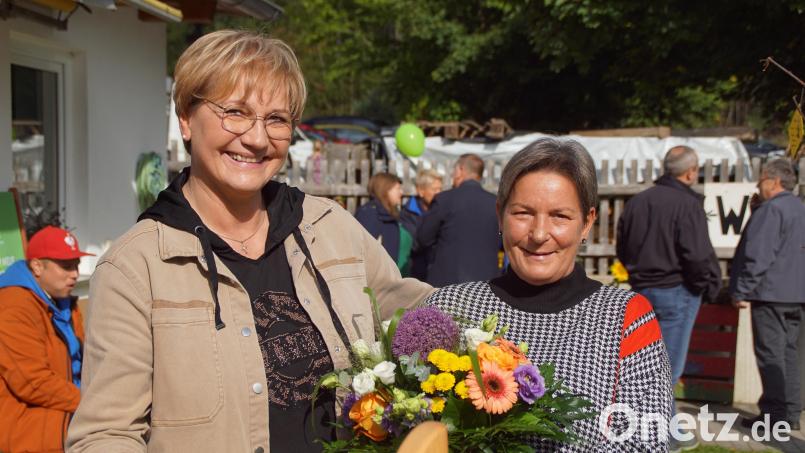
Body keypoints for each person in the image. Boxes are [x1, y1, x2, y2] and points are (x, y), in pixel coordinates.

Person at [66, 30, 432, 453]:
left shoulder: (330, 228)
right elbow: (106, 435)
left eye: (276, 119)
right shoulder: (137, 267)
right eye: (235, 112)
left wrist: (491, 302)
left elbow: (419, 313)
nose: (258, 138)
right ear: (185, 118)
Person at [425, 138, 672, 451]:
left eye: (560, 216)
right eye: (523, 213)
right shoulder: (447, 308)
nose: (539, 234)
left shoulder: (625, 318)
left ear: (587, 222)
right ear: (500, 215)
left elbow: (646, 443)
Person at [616, 146, 721, 390]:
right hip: (676, 291)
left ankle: (652, 414)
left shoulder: (637, 202)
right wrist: (700, 286)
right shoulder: (687, 204)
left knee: (644, 369)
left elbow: (622, 246)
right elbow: (697, 255)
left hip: (642, 290)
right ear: (690, 172)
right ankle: (663, 417)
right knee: (667, 374)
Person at [0, 225, 93, 453]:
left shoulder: (64, 301)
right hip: (30, 433)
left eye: (77, 265)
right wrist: (94, 401)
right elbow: (32, 382)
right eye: (66, 266)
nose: (75, 274)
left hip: (71, 415)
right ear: (37, 266)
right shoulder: (13, 305)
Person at [730, 159, 805, 431]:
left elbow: (759, 255)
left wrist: (741, 289)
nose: (758, 185)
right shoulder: (800, 207)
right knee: (789, 353)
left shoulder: (772, 210)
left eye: (761, 179)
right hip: (797, 294)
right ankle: (791, 411)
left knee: (771, 354)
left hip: (771, 293)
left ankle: (774, 415)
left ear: (774, 182)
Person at [416, 153, 499, 286]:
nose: (452, 175)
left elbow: (423, 238)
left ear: (460, 170)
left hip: (448, 285)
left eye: (453, 171)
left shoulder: (444, 200)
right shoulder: (495, 203)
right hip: (487, 285)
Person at [355, 172, 414, 274]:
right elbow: (363, 250)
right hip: (377, 278)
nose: (401, 192)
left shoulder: (390, 213)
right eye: (397, 189)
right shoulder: (370, 214)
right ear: (385, 190)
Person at [400, 169, 443, 280]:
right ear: (421, 191)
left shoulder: (441, 210)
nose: (439, 193)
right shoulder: (408, 213)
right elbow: (414, 244)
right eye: (434, 189)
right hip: (417, 271)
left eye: (440, 189)